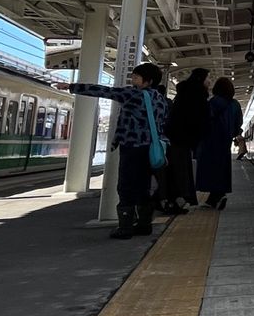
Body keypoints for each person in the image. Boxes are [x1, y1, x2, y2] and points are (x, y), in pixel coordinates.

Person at [70, 61, 169, 239]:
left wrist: (72, 87)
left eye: (137, 77)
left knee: (126, 186)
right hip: (150, 150)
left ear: (148, 81)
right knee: (143, 186)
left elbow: (105, 91)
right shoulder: (161, 99)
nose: (133, 80)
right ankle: (144, 224)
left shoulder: (133, 95)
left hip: (132, 147)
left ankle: (125, 228)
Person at [195, 76, 244, 209]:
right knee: (222, 168)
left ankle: (215, 197)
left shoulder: (214, 102)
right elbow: (238, 124)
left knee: (210, 169)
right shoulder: (235, 104)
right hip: (225, 142)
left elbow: (204, 120)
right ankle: (217, 196)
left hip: (210, 141)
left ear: (216, 89)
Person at [164, 67, 209, 212]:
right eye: (207, 78)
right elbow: (198, 119)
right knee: (180, 172)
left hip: (176, 138)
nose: (209, 81)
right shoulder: (196, 95)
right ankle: (171, 203)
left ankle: (173, 202)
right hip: (182, 139)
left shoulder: (184, 93)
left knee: (176, 171)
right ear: (200, 79)